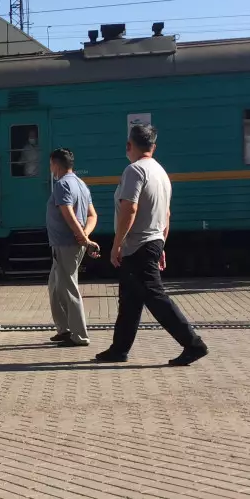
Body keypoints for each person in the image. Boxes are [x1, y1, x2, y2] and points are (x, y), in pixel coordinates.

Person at [96, 124, 209, 367]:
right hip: (152, 241)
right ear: (153, 147)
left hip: (137, 245)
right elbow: (166, 214)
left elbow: (131, 208)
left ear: (129, 145)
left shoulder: (134, 171)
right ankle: (119, 349)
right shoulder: (161, 172)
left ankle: (193, 344)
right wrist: (161, 244)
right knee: (129, 299)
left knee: (155, 298)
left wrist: (117, 244)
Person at [45, 148, 98, 348]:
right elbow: (93, 215)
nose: (50, 168)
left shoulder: (62, 185)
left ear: (56, 164)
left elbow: (68, 214)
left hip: (66, 245)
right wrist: (85, 235)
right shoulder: (81, 185)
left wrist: (83, 238)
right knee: (55, 287)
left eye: (50, 164)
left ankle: (80, 335)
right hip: (65, 244)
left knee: (68, 289)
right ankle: (65, 329)